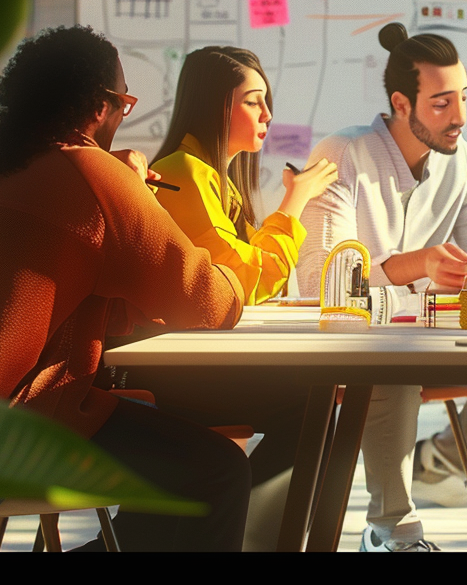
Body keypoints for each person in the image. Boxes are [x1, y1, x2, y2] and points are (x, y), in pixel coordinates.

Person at [0, 25, 251, 551]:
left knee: (171, 453)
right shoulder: (91, 173)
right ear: (99, 106)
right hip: (22, 425)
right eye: (124, 104)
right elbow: (209, 304)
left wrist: (121, 190)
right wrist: (134, 197)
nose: (123, 117)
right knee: (216, 469)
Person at [296, 23, 467, 552]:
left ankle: (440, 456)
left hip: (435, 338)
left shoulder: (460, 159)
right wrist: (413, 264)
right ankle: (391, 531)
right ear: (402, 102)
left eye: (463, 98)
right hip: (363, 347)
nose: (460, 117)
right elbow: (317, 285)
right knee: (394, 363)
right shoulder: (343, 154)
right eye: (441, 103)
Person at [139, 45, 338, 546]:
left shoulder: (217, 182)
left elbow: (251, 281)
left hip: (190, 357)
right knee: (312, 404)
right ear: (216, 105)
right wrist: (295, 200)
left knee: (317, 401)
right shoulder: (183, 173)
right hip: (164, 367)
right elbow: (247, 280)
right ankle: (256, 540)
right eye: (254, 101)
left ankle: (248, 536)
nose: (268, 114)